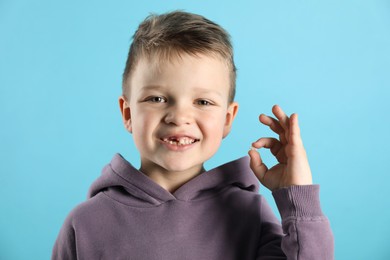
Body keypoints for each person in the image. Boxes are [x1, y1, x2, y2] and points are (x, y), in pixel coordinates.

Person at [52, 11, 334, 259]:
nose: (179, 117)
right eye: (158, 98)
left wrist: (298, 197)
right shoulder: (85, 224)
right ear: (128, 114)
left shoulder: (249, 215)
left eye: (202, 102)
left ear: (226, 120)